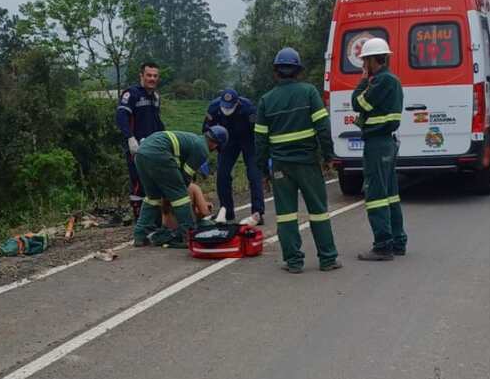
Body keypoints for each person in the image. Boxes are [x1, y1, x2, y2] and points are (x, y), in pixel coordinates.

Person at [254, 48, 341, 274]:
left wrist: (263, 171)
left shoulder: (266, 101)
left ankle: (293, 262)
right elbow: (323, 127)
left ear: (276, 72)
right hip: (308, 163)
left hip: (281, 167)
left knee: (286, 215)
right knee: (319, 210)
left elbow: (260, 142)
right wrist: (328, 156)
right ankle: (328, 259)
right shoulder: (309, 92)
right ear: (298, 71)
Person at [352, 36, 407, 261]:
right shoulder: (392, 80)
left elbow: (358, 102)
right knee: (390, 194)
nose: (364, 65)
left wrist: (363, 82)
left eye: (365, 61)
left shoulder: (381, 81)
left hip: (377, 143)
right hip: (387, 142)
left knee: (375, 195)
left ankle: (383, 245)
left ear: (374, 60)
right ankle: (397, 241)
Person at [133, 126, 225, 248]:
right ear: (216, 144)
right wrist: (176, 193)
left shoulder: (192, 140)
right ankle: (188, 235)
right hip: (159, 154)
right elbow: (186, 177)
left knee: (152, 197)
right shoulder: (202, 148)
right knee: (181, 197)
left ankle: (140, 236)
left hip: (141, 154)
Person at [203, 88, 265, 226]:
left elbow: (259, 131)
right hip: (227, 141)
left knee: (254, 174)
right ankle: (227, 211)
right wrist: (209, 152)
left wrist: (263, 152)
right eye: (224, 106)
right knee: (222, 174)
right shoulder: (214, 108)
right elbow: (207, 131)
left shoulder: (249, 109)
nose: (227, 109)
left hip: (249, 139)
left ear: (237, 103)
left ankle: (258, 212)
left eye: (230, 107)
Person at [117, 62, 164, 221]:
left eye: (155, 76)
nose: (152, 78)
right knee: (138, 182)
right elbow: (121, 117)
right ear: (141, 76)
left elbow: (157, 121)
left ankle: (154, 218)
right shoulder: (132, 94)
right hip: (137, 147)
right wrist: (130, 138)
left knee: (154, 182)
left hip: (154, 147)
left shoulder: (156, 97)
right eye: (149, 75)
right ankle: (139, 221)